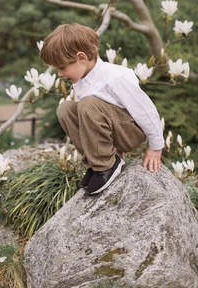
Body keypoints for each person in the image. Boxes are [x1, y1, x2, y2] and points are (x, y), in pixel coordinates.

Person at [40, 23, 165, 195]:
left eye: (62, 67)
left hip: (130, 133)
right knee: (65, 108)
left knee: (88, 104)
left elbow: (145, 110)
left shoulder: (115, 78)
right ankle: (95, 163)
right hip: (113, 130)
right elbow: (93, 120)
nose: (60, 74)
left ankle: (106, 165)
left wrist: (155, 147)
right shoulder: (81, 80)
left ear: (82, 58)